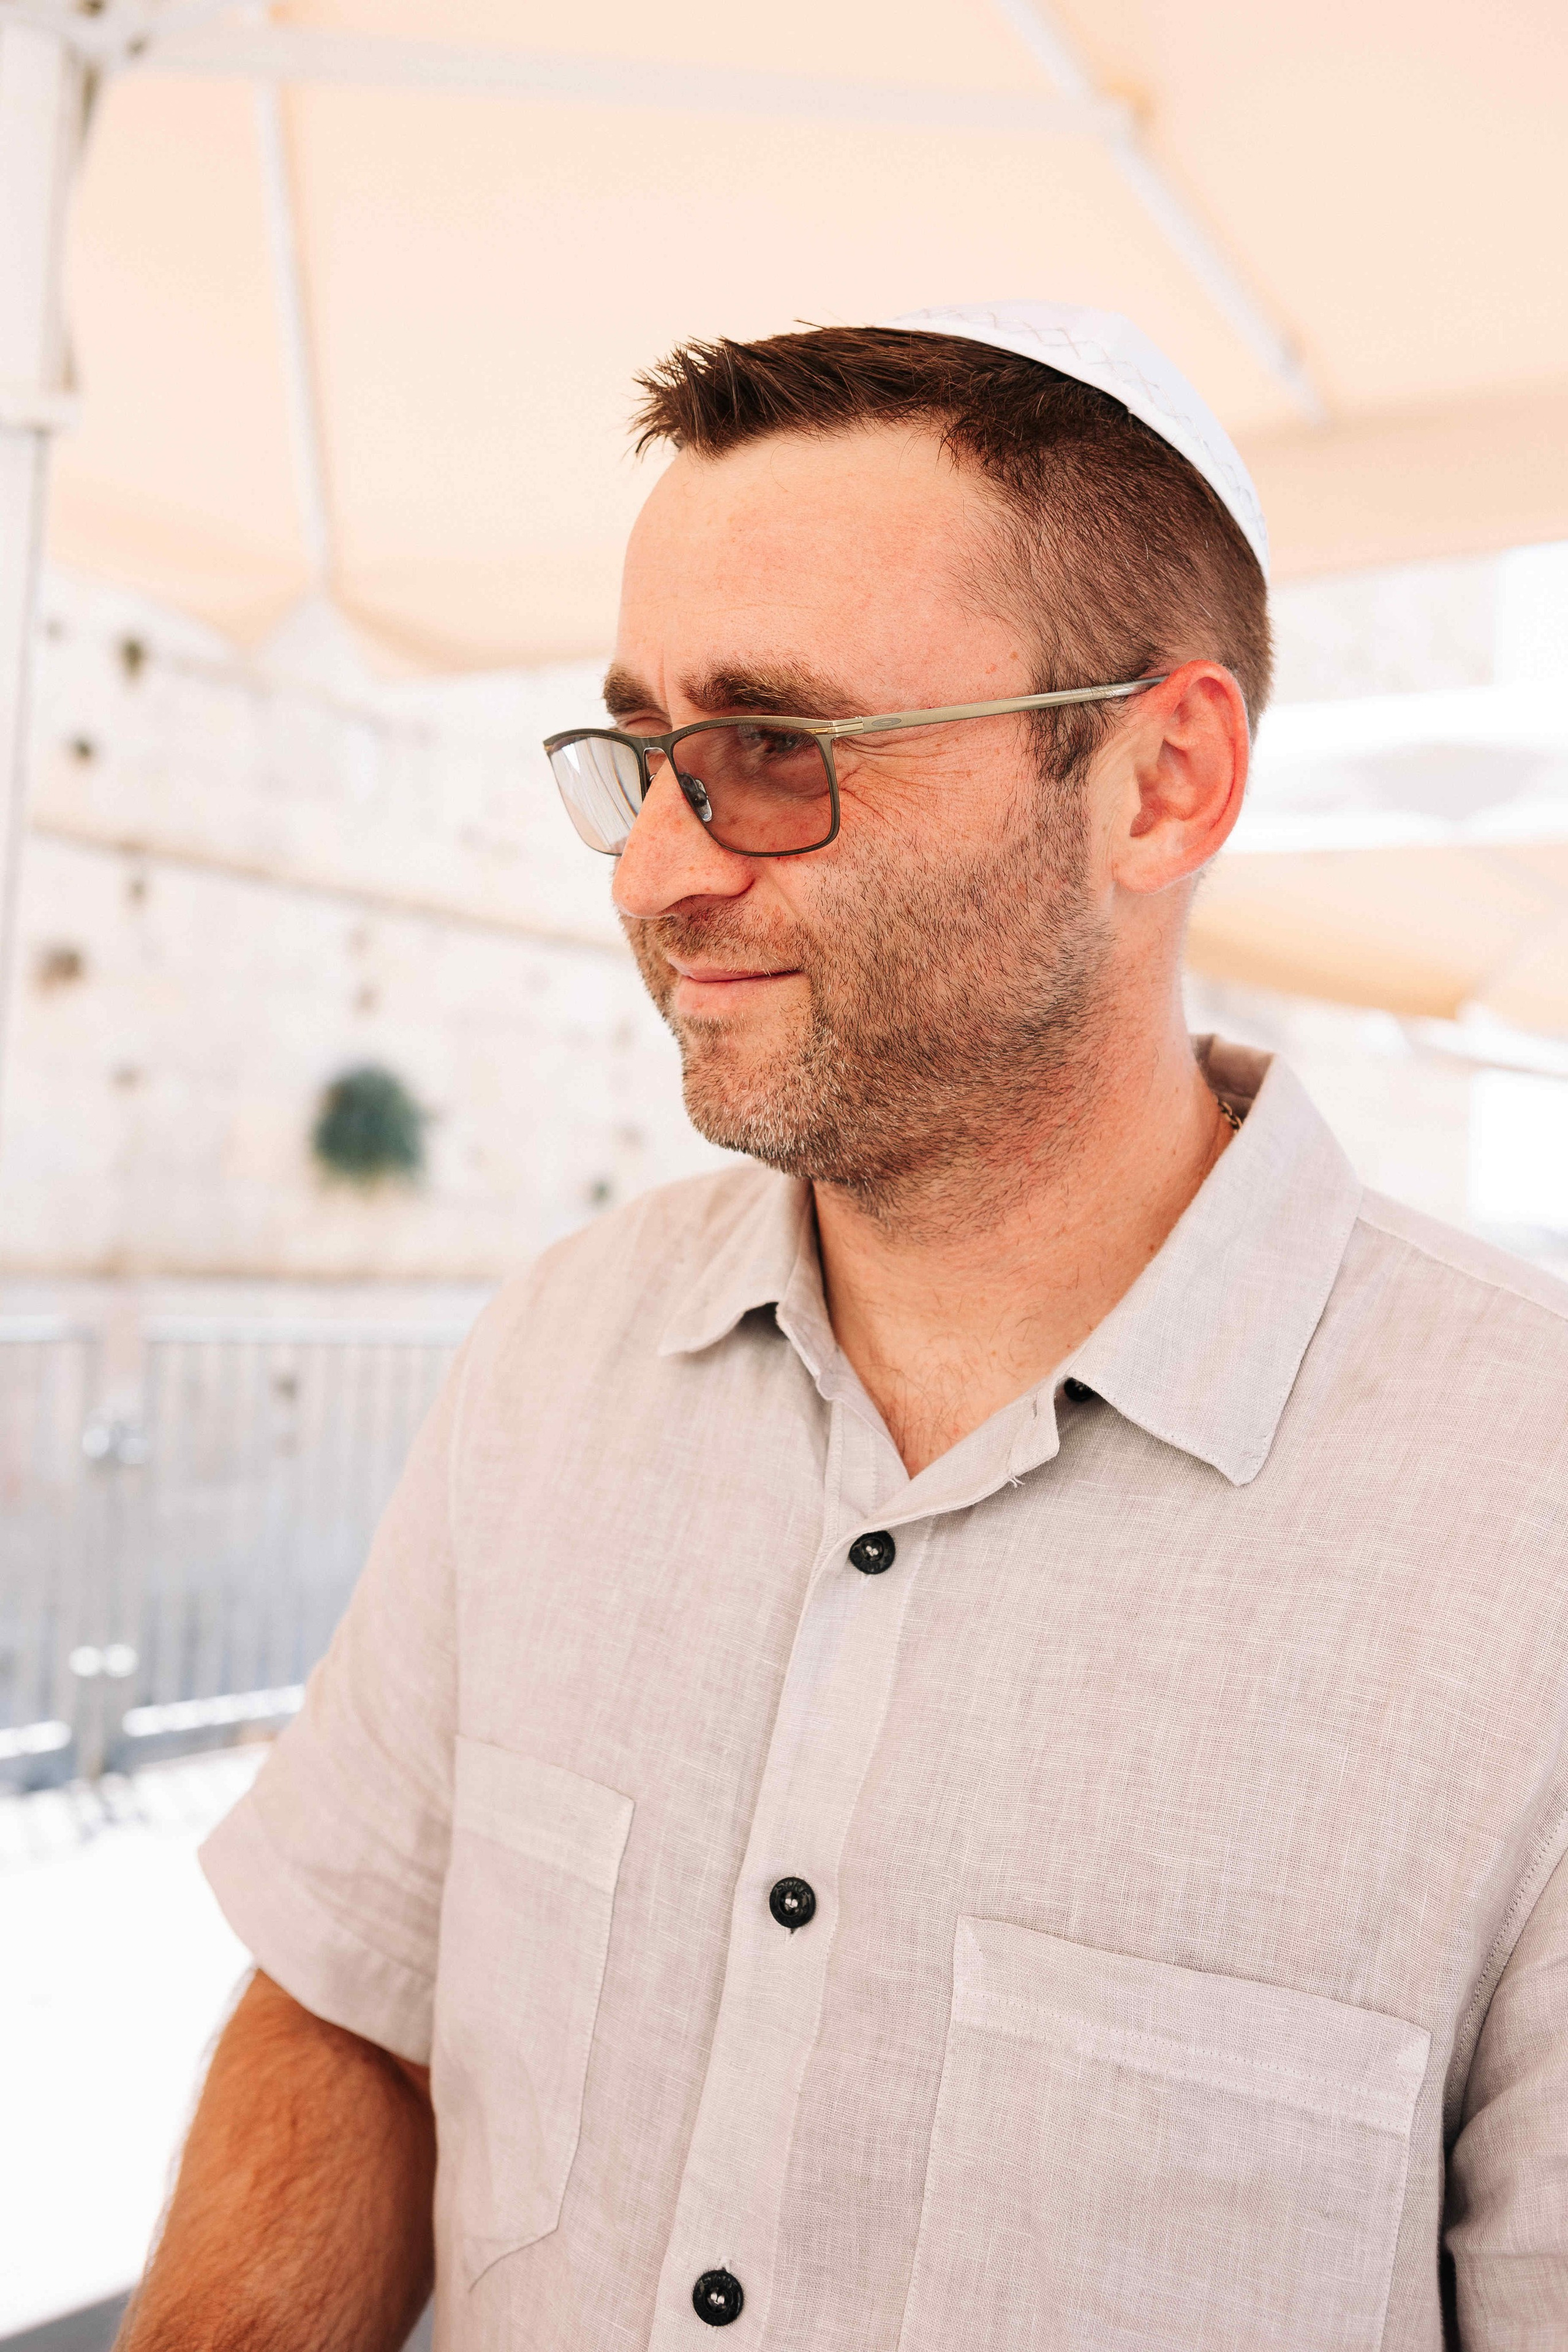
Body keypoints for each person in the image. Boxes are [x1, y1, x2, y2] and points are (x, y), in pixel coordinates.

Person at [121, 303, 1568, 2352]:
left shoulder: (1532, 1520)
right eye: (639, 750)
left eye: (773, 754)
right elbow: (364, 2010)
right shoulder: (557, 1359)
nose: (649, 868)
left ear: (1161, 781)